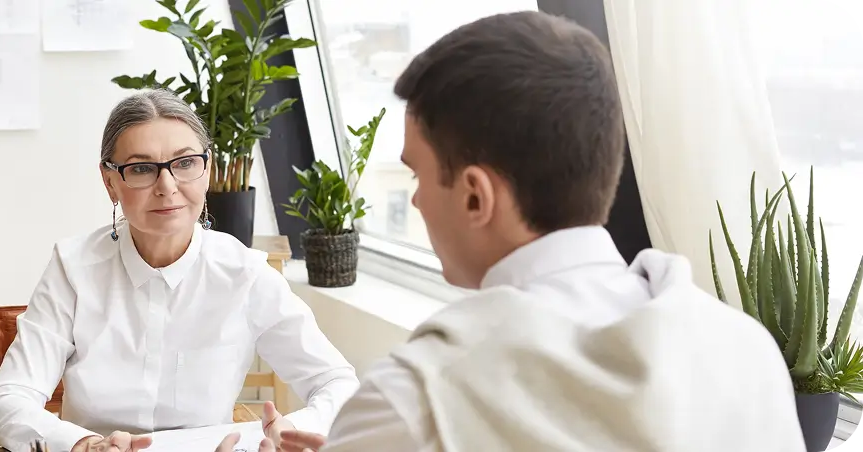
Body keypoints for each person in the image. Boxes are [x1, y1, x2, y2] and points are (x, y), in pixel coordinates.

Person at [255, 10, 807, 452]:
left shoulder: (421, 395)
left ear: (476, 195)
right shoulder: (747, 354)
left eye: (418, 173)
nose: (417, 199)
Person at [0, 89, 360, 452]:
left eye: (185, 163)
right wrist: (83, 445)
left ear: (207, 169)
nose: (167, 187)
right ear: (110, 182)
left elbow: (338, 383)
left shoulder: (245, 275)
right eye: (141, 169)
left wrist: (293, 430)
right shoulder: (72, 268)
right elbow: (8, 398)